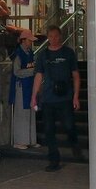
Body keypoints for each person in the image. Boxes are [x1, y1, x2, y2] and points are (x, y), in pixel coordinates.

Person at [31, 25, 84, 172]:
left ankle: (74, 143)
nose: (53, 39)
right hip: (48, 98)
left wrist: (76, 96)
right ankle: (54, 160)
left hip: (65, 97)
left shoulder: (68, 53)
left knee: (69, 126)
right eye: (51, 36)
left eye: (56, 36)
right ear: (48, 38)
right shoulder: (43, 55)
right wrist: (34, 96)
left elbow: (76, 75)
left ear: (60, 36)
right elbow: (38, 76)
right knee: (49, 130)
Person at [9, 30, 37, 149]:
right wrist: (32, 71)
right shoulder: (18, 54)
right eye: (29, 40)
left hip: (29, 85)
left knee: (30, 112)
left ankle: (30, 140)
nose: (31, 42)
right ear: (24, 40)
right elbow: (16, 72)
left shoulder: (30, 53)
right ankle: (20, 141)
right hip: (21, 86)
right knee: (21, 113)